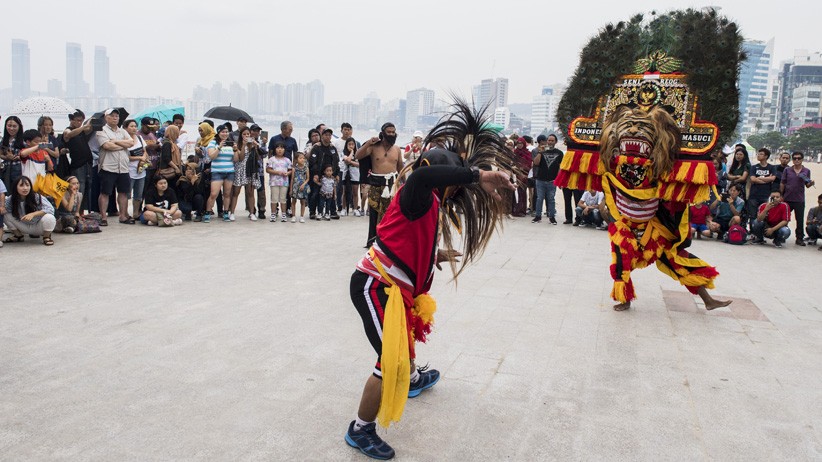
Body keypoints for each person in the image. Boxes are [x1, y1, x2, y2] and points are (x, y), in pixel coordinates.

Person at [345, 101, 516, 460]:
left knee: (401, 341)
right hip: (373, 286)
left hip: (396, 288)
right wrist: (478, 175)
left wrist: (433, 256)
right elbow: (423, 176)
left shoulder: (434, 202)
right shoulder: (417, 190)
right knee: (390, 360)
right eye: (457, 182)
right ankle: (360, 429)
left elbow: (405, 239)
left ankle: (411, 378)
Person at [356, 123, 405, 247]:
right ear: (383, 133)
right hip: (376, 183)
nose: (391, 134)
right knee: (374, 213)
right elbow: (358, 156)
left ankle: (388, 241)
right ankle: (372, 240)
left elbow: (400, 167)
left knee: (391, 214)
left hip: (392, 184)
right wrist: (368, 143)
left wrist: (404, 183)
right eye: (389, 132)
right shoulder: (374, 147)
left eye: (393, 132)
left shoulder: (397, 149)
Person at [95, 108, 134, 226]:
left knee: (123, 192)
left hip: (123, 167)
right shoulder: (101, 130)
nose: (115, 118)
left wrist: (115, 141)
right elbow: (107, 145)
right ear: (106, 117)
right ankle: (103, 217)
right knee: (105, 192)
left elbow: (131, 143)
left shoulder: (122, 131)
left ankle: (123, 215)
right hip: (108, 166)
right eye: (112, 116)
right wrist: (123, 145)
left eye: (116, 116)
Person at [2, 176, 56, 245]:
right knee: (5, 214)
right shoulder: (11, 198)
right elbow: (4, 210)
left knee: (50, 217)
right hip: (23, 226)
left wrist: (33, 214)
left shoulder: (36, 196)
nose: (25, 188)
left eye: (27, 185)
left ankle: (46, 237)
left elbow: (50, 209)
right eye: (21, 185)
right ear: (16, 187)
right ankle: (18, 236)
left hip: (38, 226)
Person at [62, 110, 94, 213]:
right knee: (79, 188)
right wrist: (83, 127)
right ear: (71, 120)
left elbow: (89, 130)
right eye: (78, 120)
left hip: (88, 163)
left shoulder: (82, 132)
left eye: (81, 121)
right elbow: (69, 135)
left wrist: (91, 124)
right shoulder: (68, 130)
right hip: (78, 165)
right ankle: (76, 212)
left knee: (88, 189)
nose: (80, 123)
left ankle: (83, 212)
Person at [780, 151, 815, 246]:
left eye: (799, 158)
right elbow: (783, 183)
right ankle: (781, 236)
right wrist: (781, 195)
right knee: (784, 219)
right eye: (795, 158)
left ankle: (799, 238)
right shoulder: (787, 170)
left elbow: (807, 184)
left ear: (802, 159)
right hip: (787, 198)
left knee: (799, 220)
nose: (797, 160)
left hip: (799, 199)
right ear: (792, 160)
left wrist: (811, 183)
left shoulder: (806, 171)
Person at [204, 124, 238, 223]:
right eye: (222, 132)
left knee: (227, 194)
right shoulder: (213, 143)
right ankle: (208, 212)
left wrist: (235, 150)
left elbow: (235, 159)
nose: (225, 134)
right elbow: (212, 157)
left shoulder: (231, 143)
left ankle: (226, 212)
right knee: (214, 194)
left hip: (229, 172)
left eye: (226, 132)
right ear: (218, 133)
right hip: (217, 172)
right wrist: (219, 147)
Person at [269, 120, 299, 217]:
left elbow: (295, 154)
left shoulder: (293, 140)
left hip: (288, 168)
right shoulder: (274, 139)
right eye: (290, 129)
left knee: (288, 189)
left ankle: (288, 208)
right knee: (275, 190)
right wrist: (271, 167)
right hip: (276, 169)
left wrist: (293, 166)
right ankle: (275, 209)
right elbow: (270, 153)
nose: (291, 131)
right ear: (283, 129)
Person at [231, 126, 262, 221]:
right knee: (236, 192)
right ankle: (231, 212)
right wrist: (244, 145)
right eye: (244, 134)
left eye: (248, 134)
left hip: (250, 170)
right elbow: (240, 158)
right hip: (240, 169)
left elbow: (259, 157)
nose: (246, 136)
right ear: (241, 135)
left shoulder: (253, 144)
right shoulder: (238, 144)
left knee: (250, 192)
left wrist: (256, 147)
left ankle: (252, 213)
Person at [309, 128, 341, 220]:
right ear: (322, 136)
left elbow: (336, 162)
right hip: (318, 175)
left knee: (331, 194)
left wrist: (337, 174)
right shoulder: (317, 147)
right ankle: (312, 212)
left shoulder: (333, 148)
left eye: (329, 135)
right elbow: (312, 162)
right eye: (326, 135)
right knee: (315, 194)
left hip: (330, 176)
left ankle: (332, 212)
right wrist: (315, 174)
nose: (328, 137)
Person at [531, 134, 562, 224]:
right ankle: (537, 216)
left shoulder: (559, 153)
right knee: (539, 198)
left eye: (552, 140)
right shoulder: (542, 151)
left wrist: (558, 179)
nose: (550, 142)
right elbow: (536, 163)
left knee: (551, 199)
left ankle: (551, 217)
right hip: (540, 180)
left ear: (556, 142)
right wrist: (540, 152)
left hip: (552, 181)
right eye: (549, 140)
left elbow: (560, 167)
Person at [124, 120, 148, 223]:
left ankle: (135, 213)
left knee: (139, 193)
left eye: (135, 126)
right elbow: (126, 156)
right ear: (125, 128)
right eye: (131, 126)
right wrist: (139, 157)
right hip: (129, 170)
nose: (134, 128)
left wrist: (143, 157)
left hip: (141, 170)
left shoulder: (139, 137)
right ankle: (124, 213)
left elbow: (145, 150)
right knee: (126, 194)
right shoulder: (124, 140)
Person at [747, 148, 777, 229]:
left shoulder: (771, 167)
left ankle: (762, 232)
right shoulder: (754, 167)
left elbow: (773, 178)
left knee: (765, 214)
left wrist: (759, 178)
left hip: (766, 195)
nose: (758, 155)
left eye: (761, 154)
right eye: (758, 154)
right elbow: (753, 179)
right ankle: (753, 232)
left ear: (766, 156)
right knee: (753, 215)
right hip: (754, 195)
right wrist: (767, 179)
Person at [265, 141, 292, 223]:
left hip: (284, 182)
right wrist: (277, 172)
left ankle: (283, 214)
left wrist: (287, 173)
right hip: (274, 182)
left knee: (283, 199)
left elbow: (290, 170)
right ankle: (273, 214)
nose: (280, 150)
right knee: (274, 199)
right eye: (278, 148)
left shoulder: (287, 160)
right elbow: (268, 169)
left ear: (284, 150)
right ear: (275, 149)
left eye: (282, 148)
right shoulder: (271, 159)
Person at [1, 116, 25, 191]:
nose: (11, 128)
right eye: (9, 126)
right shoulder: (4, 140)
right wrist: (7, 157)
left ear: (19, 127)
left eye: (14, 126)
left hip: (19, 169)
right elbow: (1, 154)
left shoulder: (23, 139)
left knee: (18, 189)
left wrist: (16, 157)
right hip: (6, 169)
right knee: (7, 190)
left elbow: (28, 154)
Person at [249, 124, 268, 219]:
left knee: (261, 191)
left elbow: (264, 155)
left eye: (258, 131)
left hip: (259, 170)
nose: (256, 133)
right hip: (249, 170)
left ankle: (262, 210)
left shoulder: (261, 142)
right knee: (249, 191)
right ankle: (251, 210)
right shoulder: (246, 140)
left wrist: (261, 145)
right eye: (254, 130)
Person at [511, 137, 531, 218]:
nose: (519, 145)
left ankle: (522, 210)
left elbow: (529, 164)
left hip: (524, 175)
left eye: (521, 143)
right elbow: (512, 162)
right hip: (515, 175)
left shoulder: (528, 153)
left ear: (524, 144)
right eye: (518, 143)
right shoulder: (514, 152)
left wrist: (522, 169)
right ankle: (515, 210)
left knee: (522, 192)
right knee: (515, 192)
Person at [342, 138, 362, 216]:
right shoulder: (344, 153)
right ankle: (343, 208)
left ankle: (355, 208)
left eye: (352, 144)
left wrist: (351, 162)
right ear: (346, 145)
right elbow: (347, 160)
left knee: (355, 192)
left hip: (355, 175)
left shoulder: (358, 154)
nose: (351, 146)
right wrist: (351, 153)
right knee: (345, 192)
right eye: (349, 144)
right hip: (346, 175)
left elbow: (359, 164)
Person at [290, 152, 310, 223]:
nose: (302, 159)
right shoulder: (294, 169)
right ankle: (293, 216)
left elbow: (308, 178)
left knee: (303, 202)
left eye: (303, 158)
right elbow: (292, 179)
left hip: (303, 187)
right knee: (293, 201)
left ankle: (302, 216)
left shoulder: (306, 168)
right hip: (295, 187)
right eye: (300, 158)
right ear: (296, 159)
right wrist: (291, 189)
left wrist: (304, 184)